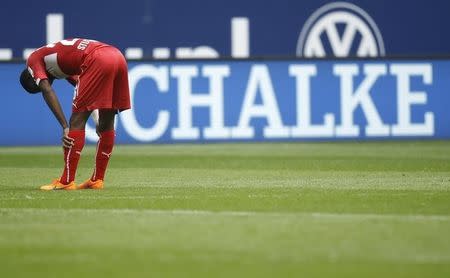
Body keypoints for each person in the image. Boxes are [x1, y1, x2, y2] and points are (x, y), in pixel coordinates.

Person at [19, 38, 131, 190]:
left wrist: (65, 127)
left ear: (33, 78)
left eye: (37, 86)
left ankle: (66, 181)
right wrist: (96, 117)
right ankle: (97, 180)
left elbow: (46, 90)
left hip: (96, 58)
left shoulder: (33, 61)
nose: (46, 83)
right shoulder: (56, 60)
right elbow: (82, 84)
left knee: (76, 121)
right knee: (106, 121)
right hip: (117, 55)